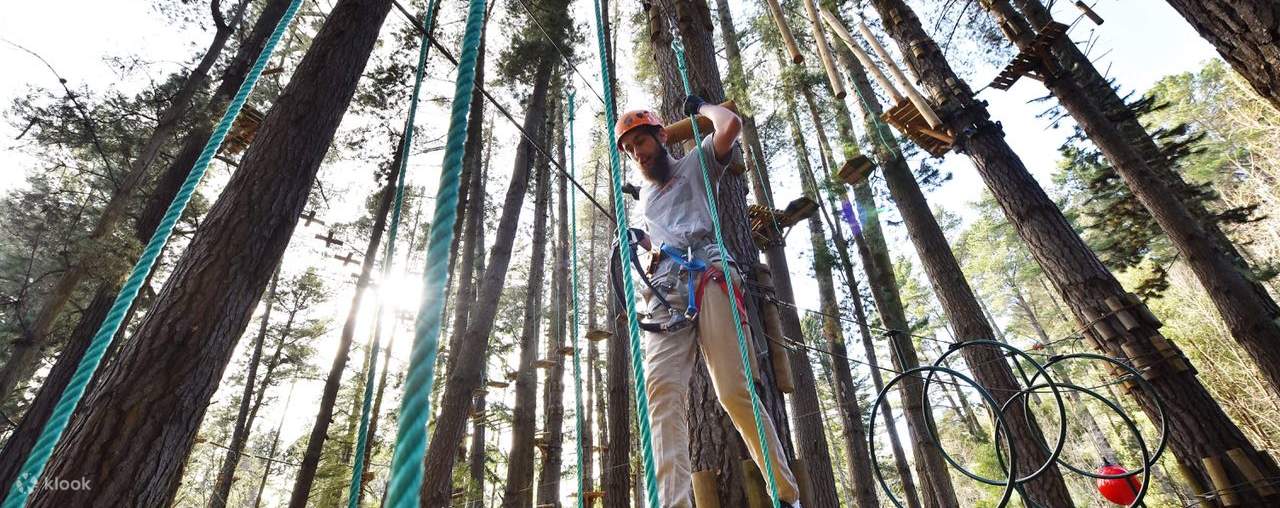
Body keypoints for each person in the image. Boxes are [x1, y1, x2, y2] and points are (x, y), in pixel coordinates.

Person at [615, 95, 801, 508]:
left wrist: (700, 107)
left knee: (733, 390)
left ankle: (785, 495)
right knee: (660, 393)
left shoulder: (695, 164)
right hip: (666, 288)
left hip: (708, 273)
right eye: (629, 151)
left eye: (641, 143)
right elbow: (662, 241)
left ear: (661, 137)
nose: (637, 155)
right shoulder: (645, 198)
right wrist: (639, 241)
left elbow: (730, 125)